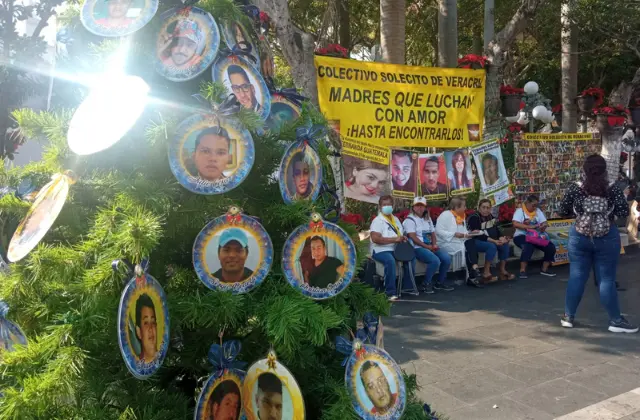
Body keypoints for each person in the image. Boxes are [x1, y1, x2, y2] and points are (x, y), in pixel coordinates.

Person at [558, 154, 637, 333]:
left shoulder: (575, 188)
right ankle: (615, 321)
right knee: (606, 279)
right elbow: (624, 211)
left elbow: (562, 210)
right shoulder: (612, 188)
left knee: (577, 276)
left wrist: (580, 213)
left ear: (584, 169)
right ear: (604, 170)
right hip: (607, 237)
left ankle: (568, 317)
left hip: (579, 237)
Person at [402, 196, 454, 294]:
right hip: (418, 248)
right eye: (417, 206)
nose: (419, 208)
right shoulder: (410, 220)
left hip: (430, 246)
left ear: (425, 207)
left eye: (422, 206)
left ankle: (440, 282)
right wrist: (427, 247)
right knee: (435, 261)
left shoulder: (428, 219)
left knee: (446, 258)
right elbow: (413, 237)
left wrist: (434, 244)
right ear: (413, 207)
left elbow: (433, 233)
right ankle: (426, 284)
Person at [435, 197, 483, 287]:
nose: (465, 208)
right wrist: (454, 234)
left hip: (459, 240)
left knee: (471, 243)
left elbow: (464, 231)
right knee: (468, 249)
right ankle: (473, 275)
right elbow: (438, 231)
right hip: (446, 242)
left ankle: (474, 269)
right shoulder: (445, 215)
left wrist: (471, 233)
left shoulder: (461, 216)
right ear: (456, 207)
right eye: (464, 206)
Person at [369, 195, 411, 300]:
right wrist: (394, 240)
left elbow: (399, 233)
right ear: (380, 206)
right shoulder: (377, 221)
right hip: (380, 250)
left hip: (395, 248)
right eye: (384, 205)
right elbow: (375, 239)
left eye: (389, 204)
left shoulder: (395, 219)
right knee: (390, 260)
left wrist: (402, 238)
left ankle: (407, 287)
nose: (387, 206)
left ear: (392, 206)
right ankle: (389, 292)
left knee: (411, 258)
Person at [467, 199, 515, 281]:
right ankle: (486, 273)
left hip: (490, 239)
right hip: (475, 241)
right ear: (479, 208)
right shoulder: (474, 217)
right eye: (483, 207)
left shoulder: (490, 216)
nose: (486, 210)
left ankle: (502, 270)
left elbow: (497, 230)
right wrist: (494, 241)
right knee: (491, 246)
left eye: (488, 208)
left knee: (504, 245)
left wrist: (501, 238)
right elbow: (478, 235)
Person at [512, 195, 557, 279]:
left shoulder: (538, 211)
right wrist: (529, 227)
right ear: (527, 203)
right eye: (533, 205)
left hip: (536, 236)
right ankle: (522, 270)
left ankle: (544, 269)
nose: (535, 207)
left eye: (536, 205)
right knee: (528, 246)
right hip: (521, 235)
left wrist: (543, 226)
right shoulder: (520, 211)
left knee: (550, 247)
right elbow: (515, 224)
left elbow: (544, 222)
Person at [135, 293, 157, 363]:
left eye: (153, 322)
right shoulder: (136, 366)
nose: (151, 328)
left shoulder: (162, 358)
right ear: (138, 332)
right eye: (146, 323)